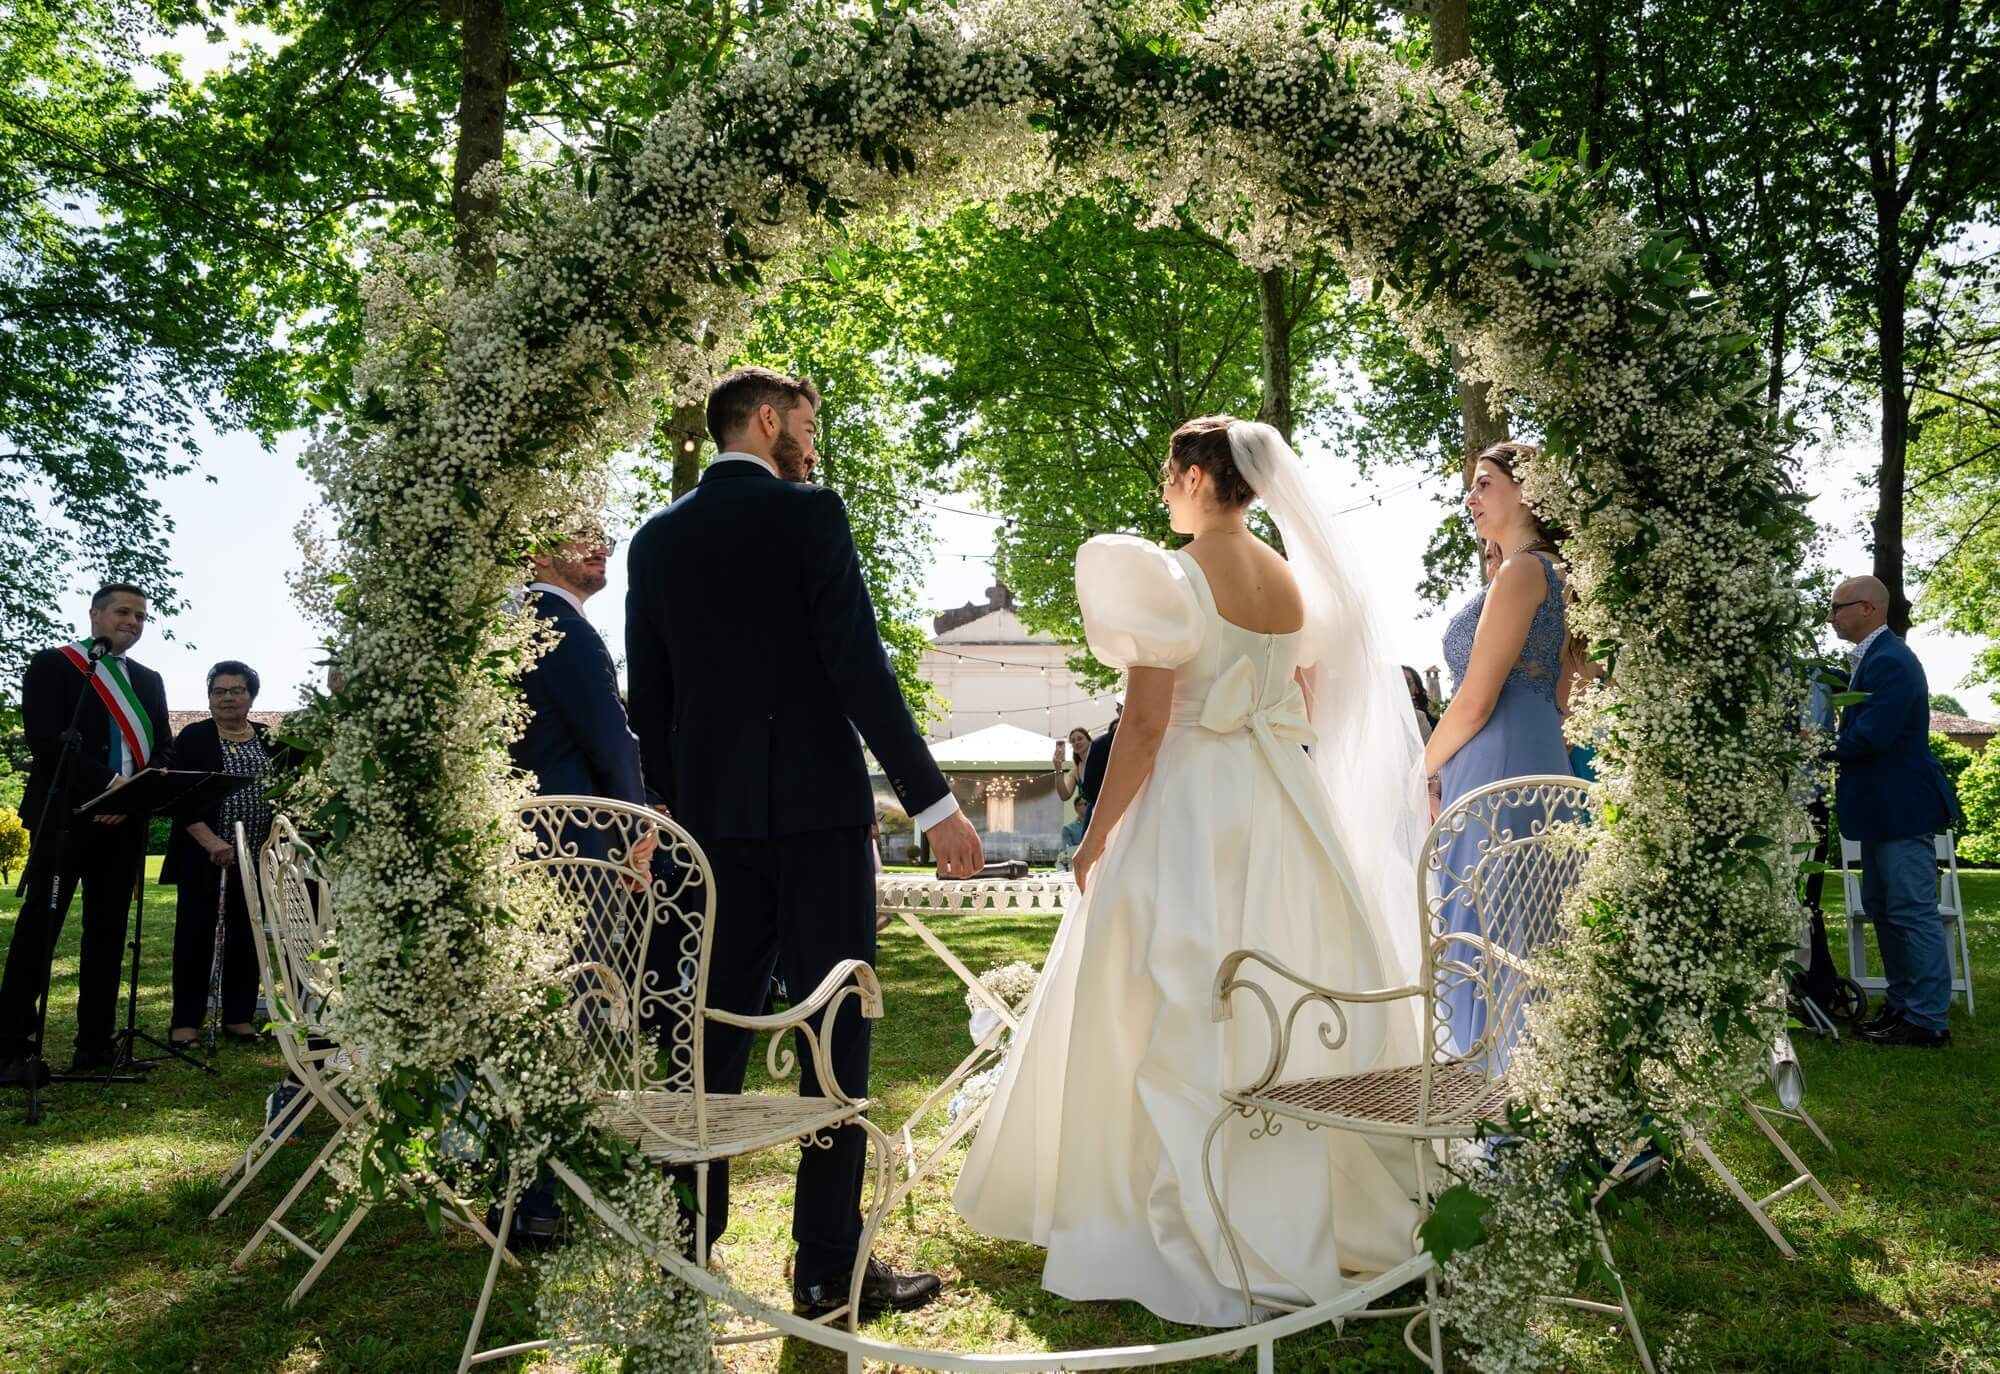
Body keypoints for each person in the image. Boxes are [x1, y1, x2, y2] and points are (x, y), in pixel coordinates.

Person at [954, 416, 1426, 1325]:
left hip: (1193, 804)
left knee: (1168, 988)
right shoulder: (1291, 578)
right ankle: (1300, 1196)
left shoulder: (1170, 577)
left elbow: (1143, 727)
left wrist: (1094, 835)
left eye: (1170, 476)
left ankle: (1164, 1203)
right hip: (1282, 802)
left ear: (1200, 478)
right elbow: (1301, 697)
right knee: (1286, 983)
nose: (1164, 491)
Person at [625, 366, 982, 1319]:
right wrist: (933, 804)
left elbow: (649, 701)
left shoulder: (654, 539)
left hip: (707, 834)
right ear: (767, 420)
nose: (813, 446)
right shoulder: (810, 514)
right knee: (835, 1033)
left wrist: (673, 813)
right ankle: (826, 1268)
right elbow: (858, 665)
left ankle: (684, 1257)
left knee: (706, 1036)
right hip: (820, 823)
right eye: (808, 425)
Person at [1423, 444, 1576, 1064]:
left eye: (1484, 483)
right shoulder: (1564, 576)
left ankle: (1495, 1089)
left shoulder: (1520, 573)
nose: (1471, 498)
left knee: (1489, 927)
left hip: (1493, 765)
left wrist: (1420, 767)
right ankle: (1545, 1082)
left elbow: (1474, 701)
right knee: (1536, 925)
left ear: (1527, 490)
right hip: (1542, 753)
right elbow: (1568, 694)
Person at [0, 584, 171, 1083]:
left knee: (108, 933)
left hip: (124, 824)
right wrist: (108, 786)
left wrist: (131, 797)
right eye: (123, 612)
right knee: (39, 930)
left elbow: (164, 748)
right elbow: (48, 741)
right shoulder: (54, 665)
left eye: (141, 616)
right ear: (95, 614)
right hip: (66, 816)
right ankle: (10, 1047)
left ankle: (95, 1044)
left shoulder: (149, 680)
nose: (133, 622)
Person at [1828, 575, 1960, 1048]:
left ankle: (1927, 1019)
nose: (1831, 616)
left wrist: (1818, 743)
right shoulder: (1873, 657)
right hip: (1881, 809)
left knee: (1911, 911)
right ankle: (1902, 1005)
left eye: (1838, 607)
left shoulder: (1890, 659)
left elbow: (1874, 735)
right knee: (1884, 909)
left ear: (1868, 608)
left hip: (1902, 807)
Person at [162, 661, 291, 1046]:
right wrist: (210, 841)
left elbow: (289, 791)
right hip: (205, 855)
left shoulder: (270, 739)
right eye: (219, 691)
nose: (227, 698)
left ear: (251, 697)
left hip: (256, 858)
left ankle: (239, 1016)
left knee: (246, 936)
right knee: (195, 937)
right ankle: (185, 1021)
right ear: (209, 698)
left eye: (236, 691)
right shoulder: (195, 737)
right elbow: (180, 797)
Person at [1054, 727, 1092, 849]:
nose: (1077, 742)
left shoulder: (1100, 762)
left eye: (1080, 738)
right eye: (1073, 741)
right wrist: (1058, 768)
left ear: (1089, 740)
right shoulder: (1075, 770)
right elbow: (1064, 795)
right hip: (1089, 817)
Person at [1403, 665, 1435, 742]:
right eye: (1398, 681)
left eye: (1407, 682)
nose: (1402, 686)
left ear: (1417, 688)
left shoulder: (1419, 718)